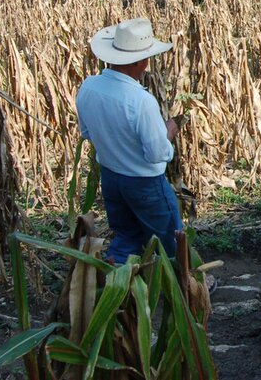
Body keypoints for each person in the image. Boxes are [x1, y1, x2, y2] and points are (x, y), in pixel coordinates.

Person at [76, 17, 182, 265]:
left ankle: (115, 287)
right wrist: (168, 132)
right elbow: (157, 153)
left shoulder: (88, 87)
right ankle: (182, 286)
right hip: (145, 184)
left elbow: (87, 133)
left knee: (126, 236)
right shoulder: (140, 100)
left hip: (111, 178)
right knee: (170, 241)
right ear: (143, 62)